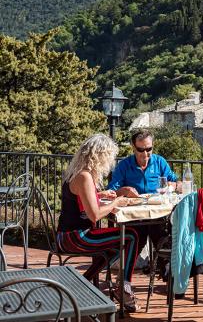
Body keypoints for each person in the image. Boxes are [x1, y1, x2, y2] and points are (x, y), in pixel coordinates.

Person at [56, 134, 140, 312]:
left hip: (67, 234)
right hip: (75, 237)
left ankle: (82, 284)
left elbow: (80, 200)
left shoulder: (77, 172)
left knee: (116, 247)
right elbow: (94, 216)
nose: (110, 161)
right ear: (99, 156)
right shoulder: (85, 177)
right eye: (109, 156)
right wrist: (116, 202)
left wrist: (101, 195)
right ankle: (122, 289)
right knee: (131, 236)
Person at [107, 129, 177, 271]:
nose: (145, 153)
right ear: (133, 147)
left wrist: (172, 186)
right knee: (138, 237)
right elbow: (112, 191)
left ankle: (166, 272)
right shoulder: (124, 165)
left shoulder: (159, 162)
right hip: (135, 215)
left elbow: (176, 182)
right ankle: (126, 276)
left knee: (163, 236)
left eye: (149, 149)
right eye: (141, 149)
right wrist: (124, 190)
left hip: (157, 213)